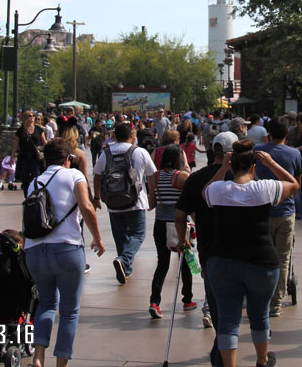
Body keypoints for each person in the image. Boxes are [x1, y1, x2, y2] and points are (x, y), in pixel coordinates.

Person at [203, 139, 299, 367]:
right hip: (261, 262)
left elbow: (204, 192)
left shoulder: (219, 190)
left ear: (233, 166)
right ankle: (262, 360)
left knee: (227, 318)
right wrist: (273, 163)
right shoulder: (264, 188)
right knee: (260, 314)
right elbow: (293, 185)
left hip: (222, 260)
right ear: (254, 167)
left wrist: (223, 168)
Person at [24, 136, 105, 366]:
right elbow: (86, 206)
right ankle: (60, 363)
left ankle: (38, 357)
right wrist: (97, 239)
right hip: (67, 249)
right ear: (68, 159)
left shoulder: (35, 182)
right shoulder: (74, 175)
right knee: (69, 311)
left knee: (46, 304)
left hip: (36, 250)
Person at [176, 132, 237, 365]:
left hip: (210, 250)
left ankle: (221, 350)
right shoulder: (241, 176)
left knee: (217, 302)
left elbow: (180, 215)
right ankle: (223, 351)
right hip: (239, 249)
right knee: (234, 308)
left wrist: (182, 240)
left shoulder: (195, 178)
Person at [92, 122, 157, 284]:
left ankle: (125, 268)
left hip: (113, 202)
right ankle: (125, 260)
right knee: (138, 234)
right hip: (136, 201)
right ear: (132, 135)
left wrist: (97, 197)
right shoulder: (140, 152)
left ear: (114, 136)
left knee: (120, 237)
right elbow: (151, 175)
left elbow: (97, 175)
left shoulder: (105, 153)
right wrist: (152, 197)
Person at [254, 117, 302, 316]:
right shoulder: (294, 154)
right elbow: (296, 186)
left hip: (261, 213)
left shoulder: (258, 151)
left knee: (261, 258)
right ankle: (276, 303)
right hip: (285, 212)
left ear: (269, 134)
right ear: (287, 134)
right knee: (283, 259)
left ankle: (260, 298)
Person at [147, 145, 193, 318]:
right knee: (186, 261)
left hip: (159, 224)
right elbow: (189, 205)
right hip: (178, 224)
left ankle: (154, 301)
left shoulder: (155, 177)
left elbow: (151, 204)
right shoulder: (182, 177)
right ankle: (187, 299)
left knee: (162, 263)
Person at [16, 111, 47, 196]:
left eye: (33, 116)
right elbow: (15, 145)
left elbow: (44, 142)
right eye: (30, 116)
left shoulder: (39, 129)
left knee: (36, 175)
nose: (32, 117)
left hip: (35, 157)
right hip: (24, 156)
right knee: (25, 177)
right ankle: (27, 195)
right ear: (25, 118)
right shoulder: (21, 130)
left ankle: (36, 194)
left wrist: (49, 151)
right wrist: (12, 157)